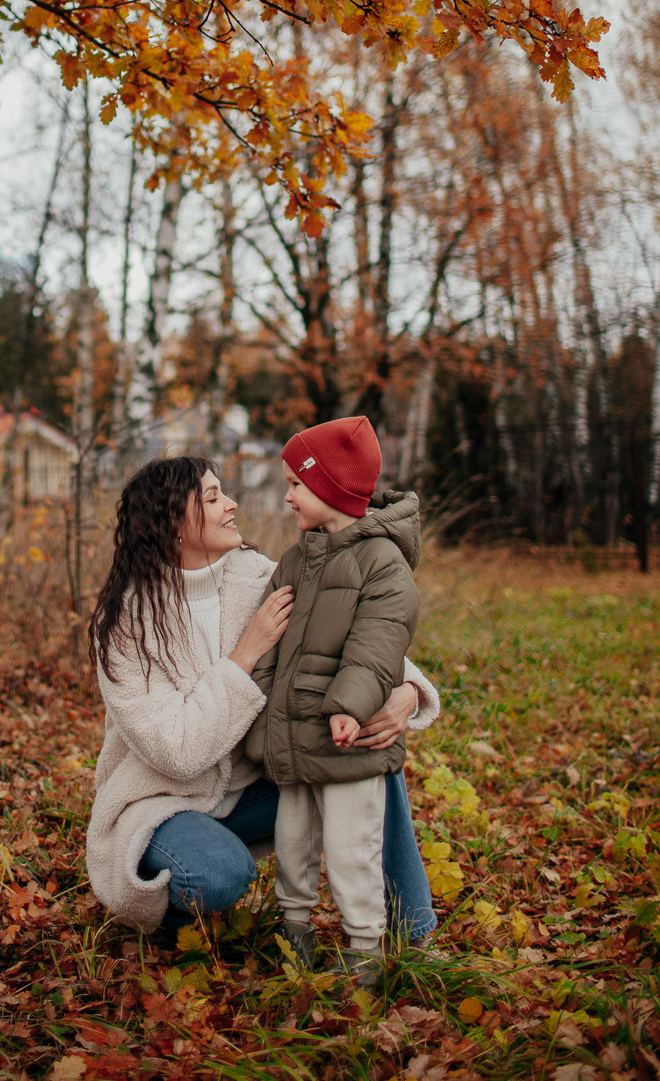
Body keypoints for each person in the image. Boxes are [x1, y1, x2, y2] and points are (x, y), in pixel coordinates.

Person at [85, 455, 438, 945]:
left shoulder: (260, 579)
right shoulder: (129, 622)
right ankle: (172, 913)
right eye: (212, 498)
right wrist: (245, 653)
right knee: (218, 874)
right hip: (165, 803)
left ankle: (413, 929)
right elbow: (177, 752)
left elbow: (358, 632)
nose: (231, 505)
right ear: (172, 523)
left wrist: (405, 691)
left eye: (223, 492)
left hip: (258, 785)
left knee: (370, 752)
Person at [244, 415, 421, 982]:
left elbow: (378, 642)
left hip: (349, 743)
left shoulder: (382, 563)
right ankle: (294, 934)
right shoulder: (297, 560)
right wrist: (260, 722)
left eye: (297, 483)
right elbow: (269, 646)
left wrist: (349, 705)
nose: (288, 494)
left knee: (352, 850)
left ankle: (365, 949)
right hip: (294, 739)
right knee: (292, 847)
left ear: (330, 487)